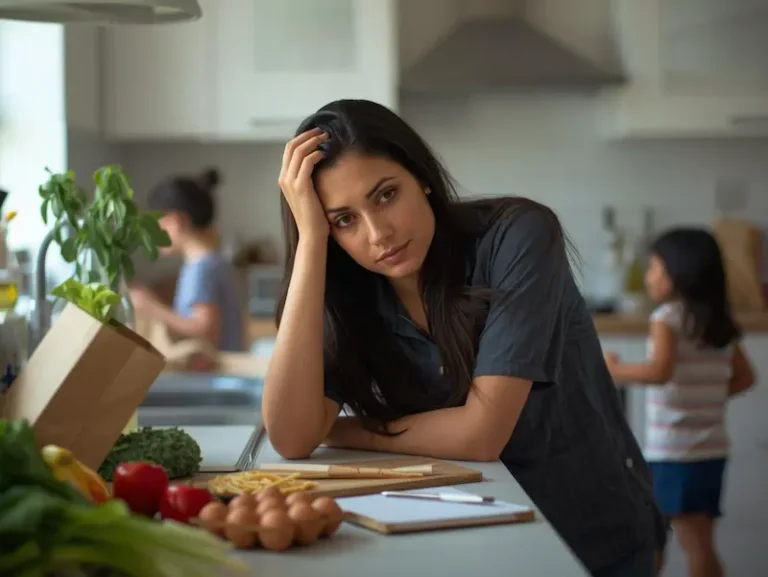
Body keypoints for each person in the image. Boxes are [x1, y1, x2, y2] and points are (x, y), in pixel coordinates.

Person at [263, 99, 667, 577]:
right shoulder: (348, 289)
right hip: (467, 542)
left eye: (386, 195)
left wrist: (339, 429)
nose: (378, 234)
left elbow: (481, 434)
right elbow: (291, 436)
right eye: (343, 220)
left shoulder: (518, 236)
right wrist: (311, 241)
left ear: (423, 177)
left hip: (592, 537)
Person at [604, 229, 755, 577]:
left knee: (664, 538)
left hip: (675, 453)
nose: (648, 275)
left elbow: (660, 372)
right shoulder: (719, 321)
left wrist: (616, 369)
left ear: (680, 271)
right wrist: (706, 395)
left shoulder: (667, 317)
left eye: (655, 267)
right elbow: (746, 377)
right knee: (698, 541)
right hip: (712, 450)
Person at [129, 168, 245, 353]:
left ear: (175, 221)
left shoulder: (202, 268)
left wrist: (150, 307)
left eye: (156, 224)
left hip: (214, 379)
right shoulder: (215, 262)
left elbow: (205, 331)